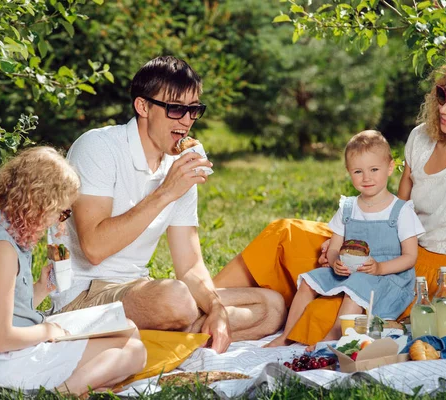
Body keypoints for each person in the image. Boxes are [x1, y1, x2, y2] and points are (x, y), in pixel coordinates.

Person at [214, 53, 446, 345]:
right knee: (285, 234)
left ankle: (258, 314)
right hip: (390, 248)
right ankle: (202, 300)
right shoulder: (421, 138)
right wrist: (342, 245)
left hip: (445, 278)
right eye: (442, 95)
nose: (443, 108)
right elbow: (392, 213)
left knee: (327, 318)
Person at [50, 56, 286, 353]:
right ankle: (170, 331)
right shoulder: (98, 147)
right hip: (83, 296)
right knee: (175, 298)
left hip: (138, 291)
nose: (186, 120)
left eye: (193, 110)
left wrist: (216, 309)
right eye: (176, 109)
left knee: (272, 306)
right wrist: (166, 192)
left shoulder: (180, 164)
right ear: (143, 106)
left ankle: (168, 334)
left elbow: (189, 265)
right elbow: (94, 249)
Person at [0, 147, 147, 396]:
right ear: (39, 202)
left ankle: (83, 382)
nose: (60, 221)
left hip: (6, 352)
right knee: (134, 352)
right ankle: (64, 391)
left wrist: (40, 289)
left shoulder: (6, 235)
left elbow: (13, 311)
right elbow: (0, 339)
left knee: (129, 328)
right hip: (1, 360)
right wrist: (47, 332)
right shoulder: (2, 250)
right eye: (62, 212)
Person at [266, 131, 424, 347]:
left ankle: (334, 337)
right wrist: (334, 262)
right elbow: (334, 247)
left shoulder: (401, 210)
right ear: (349, 172)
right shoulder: (348, 208)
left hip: (389, 277)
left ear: (389, 168)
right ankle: (286, 336)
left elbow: (410, 257)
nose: (366, 178)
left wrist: (379, 268)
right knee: (309, 281)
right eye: (358, 171)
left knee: (355, 288)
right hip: (351, 272)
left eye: (374, 170)